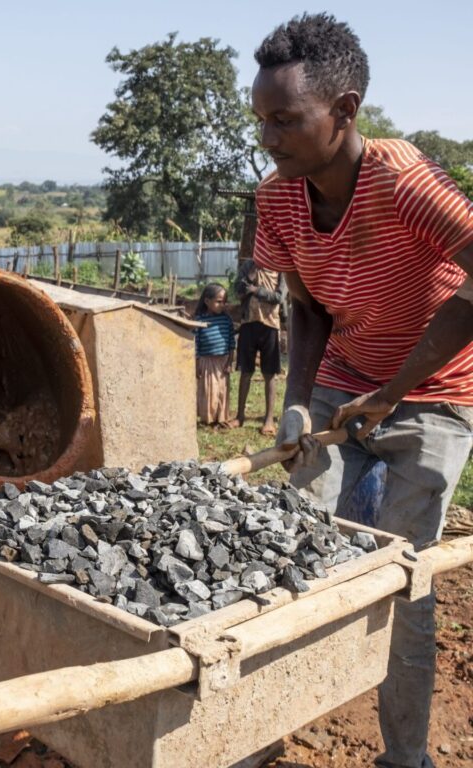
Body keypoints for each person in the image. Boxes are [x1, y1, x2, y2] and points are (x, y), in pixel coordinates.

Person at [251, 12, 473, 768]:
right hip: (340, 381)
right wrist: (297, 397)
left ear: (344, 111)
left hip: (436, 393)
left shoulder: (406, 181)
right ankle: (252, 738)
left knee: (402, 582)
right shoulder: (278, 197)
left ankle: (405, 760)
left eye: (285, 119)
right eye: (262, 120)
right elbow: (307, 306)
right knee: (285, 551)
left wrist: (394, 392)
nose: (268, 137)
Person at [234, 258, 283, 435]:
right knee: (246, 371)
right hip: (248, 322)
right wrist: (249, 277)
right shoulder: (248, 265)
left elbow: (279, 297)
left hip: (270, 324)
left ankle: (269, 419)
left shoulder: (280, 267)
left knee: (269, 373)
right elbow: (238, 291)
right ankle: (240, 416)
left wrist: (256, 290)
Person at [193, 284, 235, 429]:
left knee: (221, 391)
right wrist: (197, 364)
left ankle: (221, 418)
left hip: (222, 362)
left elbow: (231, 343)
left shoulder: (226, 320)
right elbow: (196, 344)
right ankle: (208, 419)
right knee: (209, 391)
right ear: (207, 301)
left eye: (224, 302)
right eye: (218, 301)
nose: (222, 305)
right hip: (207, 361)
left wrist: (230, 362)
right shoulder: (199, 321)